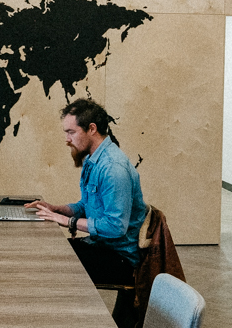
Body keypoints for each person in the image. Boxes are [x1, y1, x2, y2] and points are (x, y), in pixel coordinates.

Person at [27, 98, 148, 288]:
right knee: (45, 252)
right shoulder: (92, 160)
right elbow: (86, 205)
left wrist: (68, 221)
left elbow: (115, 227)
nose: (67, 139)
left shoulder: (113, 168)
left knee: (48, 264)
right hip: (99, 246)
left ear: (92, 129)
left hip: (119, 259)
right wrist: (57, 210)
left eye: (71, 132)